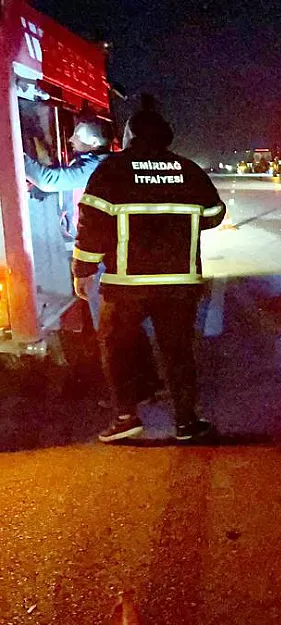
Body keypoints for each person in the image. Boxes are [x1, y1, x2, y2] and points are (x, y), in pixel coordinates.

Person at [72, 95, 226, 443]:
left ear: (130, 136)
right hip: (179, 283)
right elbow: (214, 215)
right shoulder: (189, 170)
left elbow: (91, 223)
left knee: (117, 348)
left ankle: (126, 417)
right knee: (178, 352)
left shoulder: (111, 170)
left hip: (125, 284)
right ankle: (186, 422)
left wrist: (82, 270)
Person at [24, 119, 162, 404]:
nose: (71, 142)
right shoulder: (98, 164)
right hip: (116, 258)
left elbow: (48, 180)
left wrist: (12, 150)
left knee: (111, 331)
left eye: (76, 137)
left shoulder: (93, 166)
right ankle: (148, 384)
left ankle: (128, 396)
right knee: (126, 326)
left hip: (102, 262)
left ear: (91, 141)